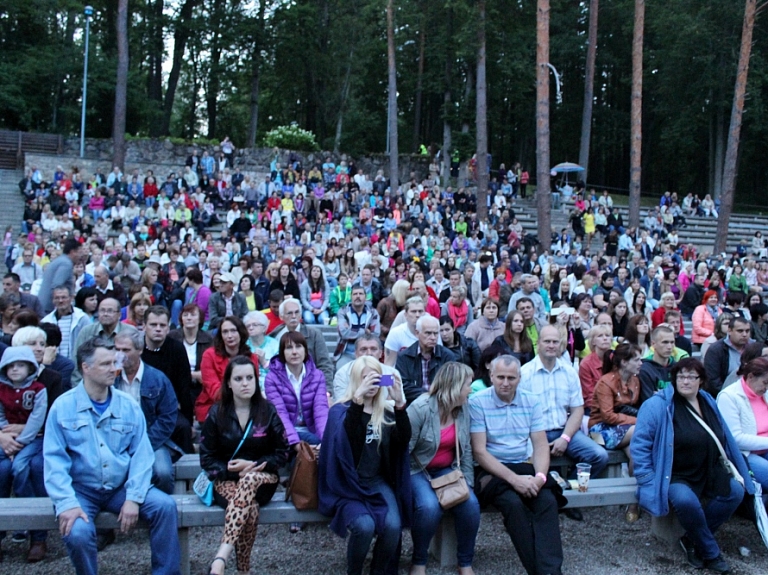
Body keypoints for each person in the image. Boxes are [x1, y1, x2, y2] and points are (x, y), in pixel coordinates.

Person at [43, 337, 181, 575]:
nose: (114, 368)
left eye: (114, 362)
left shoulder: (127, 405)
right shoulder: (62, 407)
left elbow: (141, 454)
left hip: (121, 487)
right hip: (81, 489)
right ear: (85, 368)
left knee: (165, 506)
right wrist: (66, 502)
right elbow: (54, 460)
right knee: (76, 532)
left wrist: (134, 497)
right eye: (105, 363)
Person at [631, 358, 751, 574]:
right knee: (686, 501)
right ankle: (712, 553)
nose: (685, 381)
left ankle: (691, 539)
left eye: (691, 377)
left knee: (735, 492)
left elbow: (725, 436)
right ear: (674, 379)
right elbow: (640, 445)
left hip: (708, 469)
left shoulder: (707, 401)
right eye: (681, 376)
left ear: (701, 380)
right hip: (674, 473)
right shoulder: (657, 405)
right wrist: (646, 479)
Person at [470, 355, 565, 575]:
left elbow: (540, 445)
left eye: (511, 378)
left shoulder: (532, 401)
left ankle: (550, 571)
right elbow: (480, 451)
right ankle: (542, 572)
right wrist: (515, 480)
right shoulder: (478, 403)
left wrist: (540, 478)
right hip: (492, 472)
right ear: (491, 376)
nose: (505, 382)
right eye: (500, 377)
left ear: (519, 378)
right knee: (513, 505)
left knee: (547, 501)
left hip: (524, 466)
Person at [318, 356, 410, 575]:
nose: (371, 383)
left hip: (375, 481)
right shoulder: (340, 411)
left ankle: (379, 571)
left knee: (393, 527)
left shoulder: (384, 411)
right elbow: (345, 441)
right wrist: (358, 402)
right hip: (346, 483)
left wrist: (399, 404)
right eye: (365, 377)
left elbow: (403, 440)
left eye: (375, 377)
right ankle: (355, 571)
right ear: (355, 380)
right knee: (364, 526)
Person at [200, 356, 289, 575]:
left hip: (263, 480)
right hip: (227, 480)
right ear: (228, 383)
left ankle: (220, 558)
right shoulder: (217, 413)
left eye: (250, 377)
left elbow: (283, 453)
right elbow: (207, 459)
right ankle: (243, 571)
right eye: (238, 378)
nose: (245, 383)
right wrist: (232, 471)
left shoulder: (267, 410)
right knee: (250, 510)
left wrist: (254, 465)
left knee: (250, 480)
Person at [519, 325, 609, 520]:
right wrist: (540, 440)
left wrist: (565, 438)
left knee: (599, 456)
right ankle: (547, 499)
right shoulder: (525, 374)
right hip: (534, 434)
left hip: (564, 429)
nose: (551, 345)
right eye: (547, 341)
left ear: (561, 344)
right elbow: (520, 414)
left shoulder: (569, 372)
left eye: (555, 342)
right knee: (529, 464)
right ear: (538, 344)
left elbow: (577, 410)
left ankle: (567, 493)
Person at [407, 362, 480, 575]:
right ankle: (419, 560)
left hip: (447, 468)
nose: (471, 389)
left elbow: (464, 450)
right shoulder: (420, 408)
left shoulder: (463, 408)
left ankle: (465, 562)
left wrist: (467, 482)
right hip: (416, 469)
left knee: (470, 504)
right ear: (455, 386)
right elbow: (403, 451)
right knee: (429, 507)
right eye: (468, 384)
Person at [113, 331, 180, 495]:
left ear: (140, 350)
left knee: (163, 473)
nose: (120, 355)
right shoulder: (110, 378)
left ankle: (162, 508)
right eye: (117, 349)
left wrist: (144, 443)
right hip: (115, 439)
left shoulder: (157, 378)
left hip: (150, 440)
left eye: (126, 350)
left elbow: (168, 418)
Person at [0, 346, 48, 562]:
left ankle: (36, 531)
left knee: (26, 467)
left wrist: (18, 443)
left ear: (30, 367)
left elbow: (37, 420)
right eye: (11, 366)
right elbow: (0, 415)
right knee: (3, 469)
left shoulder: (39, 389)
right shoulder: (1, 388)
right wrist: (5, 436)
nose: (15, 369)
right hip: (6, 438)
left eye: (20, 365)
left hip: (32, 439)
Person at [588, 343, 643, 522]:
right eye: (637, 359)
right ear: (624, 362)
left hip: (624, 430)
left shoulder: (635, 381)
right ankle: (634, 500)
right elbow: (608, 417)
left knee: (637, 452)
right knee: (639, 433)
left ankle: (633, 502)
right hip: (597, 432)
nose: (641, 363)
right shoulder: (606, 382)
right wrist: (638, 421)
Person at [141, 306, 195, 455]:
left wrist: (189, 421)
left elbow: (185, 387)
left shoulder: (177, 349)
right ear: (144, 326)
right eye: (153, 325)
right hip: (141, 407)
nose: (158, 329)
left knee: (183, 427)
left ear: (168, 327)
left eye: (162, 325)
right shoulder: (136, 348)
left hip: (168, 408)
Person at [264, 331, 329, 451]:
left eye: (298, 346)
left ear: (305, 350)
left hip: (312, 430)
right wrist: (295, 443)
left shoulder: (317, 376)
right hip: (284, 432)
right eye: (289, 348)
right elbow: (280, 413)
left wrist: (325, 441)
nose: (294, 352)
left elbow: (321, 410)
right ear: (282, 352)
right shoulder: (272, 378)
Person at [717, 356, 768, 496]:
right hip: (744, 454)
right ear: (750, 377)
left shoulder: (764, 393)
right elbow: (736, 439)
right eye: (765, 383)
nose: (766, 387)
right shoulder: (729, 397)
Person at [197, 316, 257, 424]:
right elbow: (214, 392)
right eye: (225, 332)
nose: (229, 336)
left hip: (245, 406)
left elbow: (253, 387)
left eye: (233, 331)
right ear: (221, 335)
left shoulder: (252, 357)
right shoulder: (209, 355)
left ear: (241, 332)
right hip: (214, 406)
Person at [71, 297, 140, 385]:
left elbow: (136, 362)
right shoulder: (87, 332)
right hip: (92, 384)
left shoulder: (130, 331)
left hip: (123, 383)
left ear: (119, 315)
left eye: (110, 311)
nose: (105, 314)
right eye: (102, 311)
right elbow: (77, 362)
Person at [397, 315, 457, 405]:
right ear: (417, 333)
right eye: (428, 333)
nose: (433, 337)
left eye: (436, 333)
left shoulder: (447, 356)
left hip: (441, 404)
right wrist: (427, 395)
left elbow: (452, 383)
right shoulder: (404, 356)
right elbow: (402, 385)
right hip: (414, 404)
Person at [332, 334, 399, 402]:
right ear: (355, 353)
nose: (369, 353)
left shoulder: (391, 373)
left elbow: (396, 403)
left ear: (380, 353)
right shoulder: (343, 373)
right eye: (363, 349)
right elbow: (341, 404)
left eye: (373, 349)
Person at [169, 303, 213, 400]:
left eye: (193, 315)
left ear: (200, 318)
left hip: (201, 387)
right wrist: (192, 374)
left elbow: (211, 368)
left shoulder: (209, 339)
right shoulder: (172, 337)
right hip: (176, 387)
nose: (189, 318)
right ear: (181, 319)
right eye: (185, 315)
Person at [703, 315, 752, 397]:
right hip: (725, 395)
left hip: (752, 393)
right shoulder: (716, 350)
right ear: (729, 331)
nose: (744, 334)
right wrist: (729, 396)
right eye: (740, 331)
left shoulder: (754, 347)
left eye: (747, 331)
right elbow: (712, 381)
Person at [335, 285, 381, 369]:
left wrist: (351, 330)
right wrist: (364, 331)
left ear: (365, 297)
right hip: (347, 354)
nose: (358, 296)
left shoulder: (373, 312)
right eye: (355, 294)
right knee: (340, 372)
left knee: (382, 375)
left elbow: (375, 335)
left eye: (361, 294)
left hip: (368, 354)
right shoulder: (343, 311)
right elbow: (344, 333)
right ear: (351, 296)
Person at [41, 285, 91, 361]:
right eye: (57, 298)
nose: (60, 301)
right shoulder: (46, 321)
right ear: (53, 300)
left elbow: (89, 342)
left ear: (71, 298)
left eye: (64, 297)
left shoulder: (82, 318)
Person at [37, 238, 82, 314]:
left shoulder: (60, 260)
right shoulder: (66, 264)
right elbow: (57, 286)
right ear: (73, 252)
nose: (80, 256)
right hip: (50, 308)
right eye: (79, 252)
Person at [578, 325, 613, 413]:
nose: (605, 338)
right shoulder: (586, 364)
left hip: (615, 405)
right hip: (594, 409)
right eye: (600, 336)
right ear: (593, 341)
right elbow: (589, 396)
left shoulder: (617, 360)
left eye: (607, 335)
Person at [638, 324, 677, 403]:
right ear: (653, 344)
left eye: (672, 342)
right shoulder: (644, 369)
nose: (669, 347)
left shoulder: (678, 367)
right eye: (665, 342)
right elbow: (650, 401)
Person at [242, 310, 279, 386]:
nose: (251, 328)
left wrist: (264, 362)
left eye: (255, 325)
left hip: (272, 384)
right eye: (248, 326)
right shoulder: (242, 345)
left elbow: (280, 371)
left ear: (264, 328)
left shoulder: (275, 344)